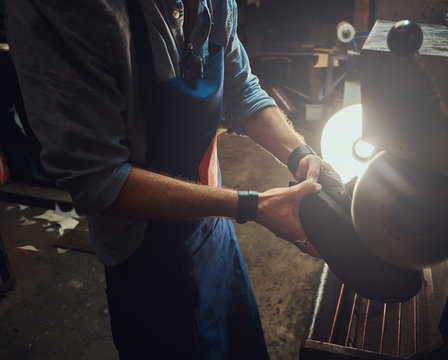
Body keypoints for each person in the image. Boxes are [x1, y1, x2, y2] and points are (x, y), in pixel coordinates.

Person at [6, 0, 340, 358]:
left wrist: (300, 153)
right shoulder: (72, 12)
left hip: (216, 227)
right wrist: (252, 206)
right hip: (145, 255)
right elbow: (98, 179)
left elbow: (240, 88)